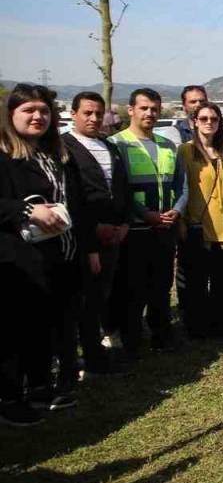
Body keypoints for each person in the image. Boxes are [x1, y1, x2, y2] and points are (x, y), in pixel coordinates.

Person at [0, 84, 96, 423]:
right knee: (17, 332)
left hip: (63, 256)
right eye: (29, 110)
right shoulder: (4, 156)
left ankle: (43, 388)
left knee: (51, 326)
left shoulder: (57, 155)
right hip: (20, 263)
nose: (38, 116)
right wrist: (26, 212)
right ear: (11, 115)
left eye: (44, 111)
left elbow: (79, 206)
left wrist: (89, 249)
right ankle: (11, 399)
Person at [110, 88, 186, 354]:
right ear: (130, 110)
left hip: (165, 227)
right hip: (136, 229)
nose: (150, 113)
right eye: (144, 108)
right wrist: (145, 214)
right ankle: (131, 339)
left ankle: (162, 335)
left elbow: (181, 185)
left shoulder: (167, 145)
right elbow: (119, 191)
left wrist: (176, 210)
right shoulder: (117, 144)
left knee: (161, 286)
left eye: (154, 108)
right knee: (133, 287)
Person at [62, 91, 130, 374]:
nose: (93, 118)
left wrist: (124, 223)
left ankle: (98, 348)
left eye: (98, 114)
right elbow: (70, 197)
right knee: (84, 300)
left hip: (113, 235)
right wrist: (91, 231)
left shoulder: (108, 145)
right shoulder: (64, 147)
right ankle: (89, 357)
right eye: (87, 113)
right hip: (83, 238)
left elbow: (122, 187)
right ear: (73, 113)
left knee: (103, 295)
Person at [177, 102, 223, 339]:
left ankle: (222, 324)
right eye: (203, 118)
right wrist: (181, 222)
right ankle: (197, 327)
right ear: (194, 122)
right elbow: (180, 189)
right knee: (196, 281)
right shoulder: (185, 151)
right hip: (197, 226)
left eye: (213, 119)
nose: (209, 123)